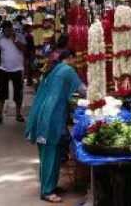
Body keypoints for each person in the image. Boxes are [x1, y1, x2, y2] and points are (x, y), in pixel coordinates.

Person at [25, 50, 85, 203]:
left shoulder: (55, 69)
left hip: (43, 114)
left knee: (51, 154)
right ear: (70, 58)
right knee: (50, 153)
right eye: (75, 59)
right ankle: (46, 191)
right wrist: (101, 96)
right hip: (50, 118)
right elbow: (82, 90)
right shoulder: (67, 70)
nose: (75, 62)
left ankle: (50, 185)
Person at [0, 20, 27, 124]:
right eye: (4, 31)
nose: (6, 33)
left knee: (18, 92)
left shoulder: (19, 36)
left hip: (17, 69)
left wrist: (14, 39)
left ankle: (18, 114)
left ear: (11, 28)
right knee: (1, 93)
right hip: (3, 69)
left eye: (8, 30)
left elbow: (24, 49)